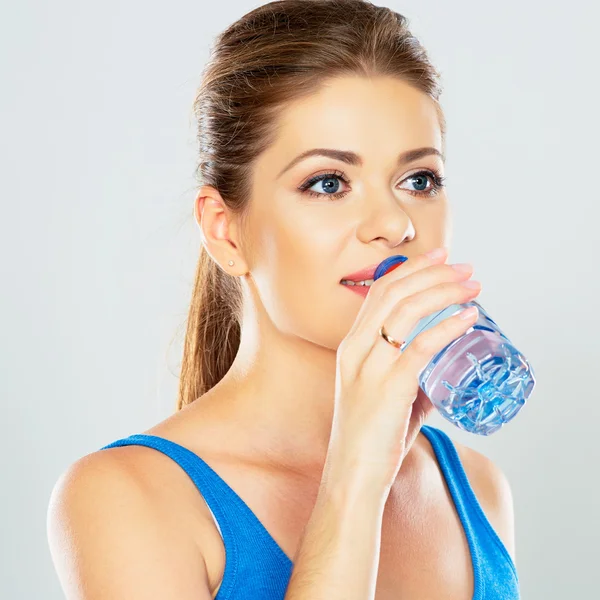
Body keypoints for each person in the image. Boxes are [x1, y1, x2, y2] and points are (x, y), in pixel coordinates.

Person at [47, 1, 520, 598]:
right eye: (328, 183)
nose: (395, 223)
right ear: (225, 230)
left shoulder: (474, 488)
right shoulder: (126, 499)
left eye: (419, 180)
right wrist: (355, 479)